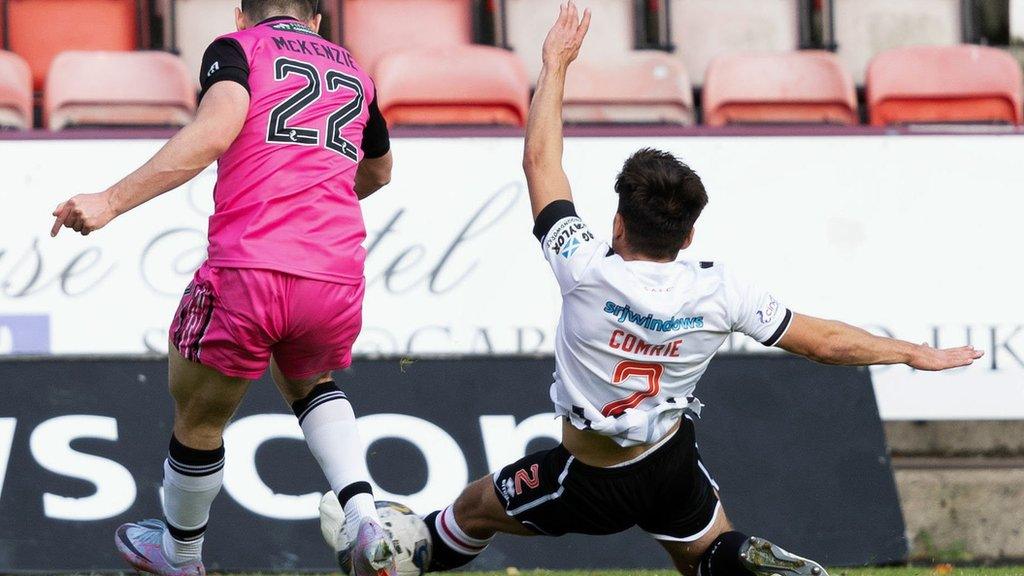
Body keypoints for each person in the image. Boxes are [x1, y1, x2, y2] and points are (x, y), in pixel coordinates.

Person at [414, 4, 984, 576]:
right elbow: (824, 341)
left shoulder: (585, 268)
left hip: (591, 475)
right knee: (707, 557)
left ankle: (388, 564)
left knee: (472, 509)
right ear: (688, 237)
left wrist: (555, 64)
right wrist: (912, 352)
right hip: (668, 461)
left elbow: (540, 161)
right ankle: (744, 562)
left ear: (616, 225)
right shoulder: (719, 290)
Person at [49, 1, 397, 575]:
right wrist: (314, 191)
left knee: (199, 416)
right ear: (317, 21)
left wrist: (109, 202)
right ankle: (364, 516)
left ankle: (181, 555)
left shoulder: (239, 50)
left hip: (250, 266)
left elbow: (214, 131)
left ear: (243, 16)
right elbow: (380, 171)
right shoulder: (356, 72)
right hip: (335, 272)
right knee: (310, 380)